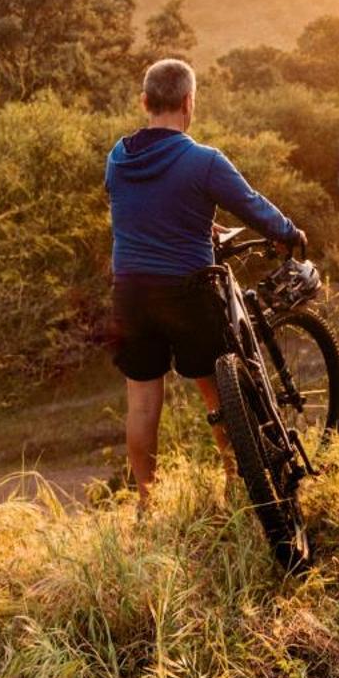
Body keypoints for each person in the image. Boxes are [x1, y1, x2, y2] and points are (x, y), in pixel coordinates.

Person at [105, 57, 307, 504]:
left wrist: (200, 224)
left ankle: (146, 501)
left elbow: (144, 209)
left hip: (131, 292)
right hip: (188, 289)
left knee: (141, 403)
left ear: (145, 102)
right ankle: (237, 482)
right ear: (188, 102)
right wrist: (289, 233)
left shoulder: (118, 158)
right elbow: (253, 206)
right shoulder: (203, 160)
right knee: (219, 394)